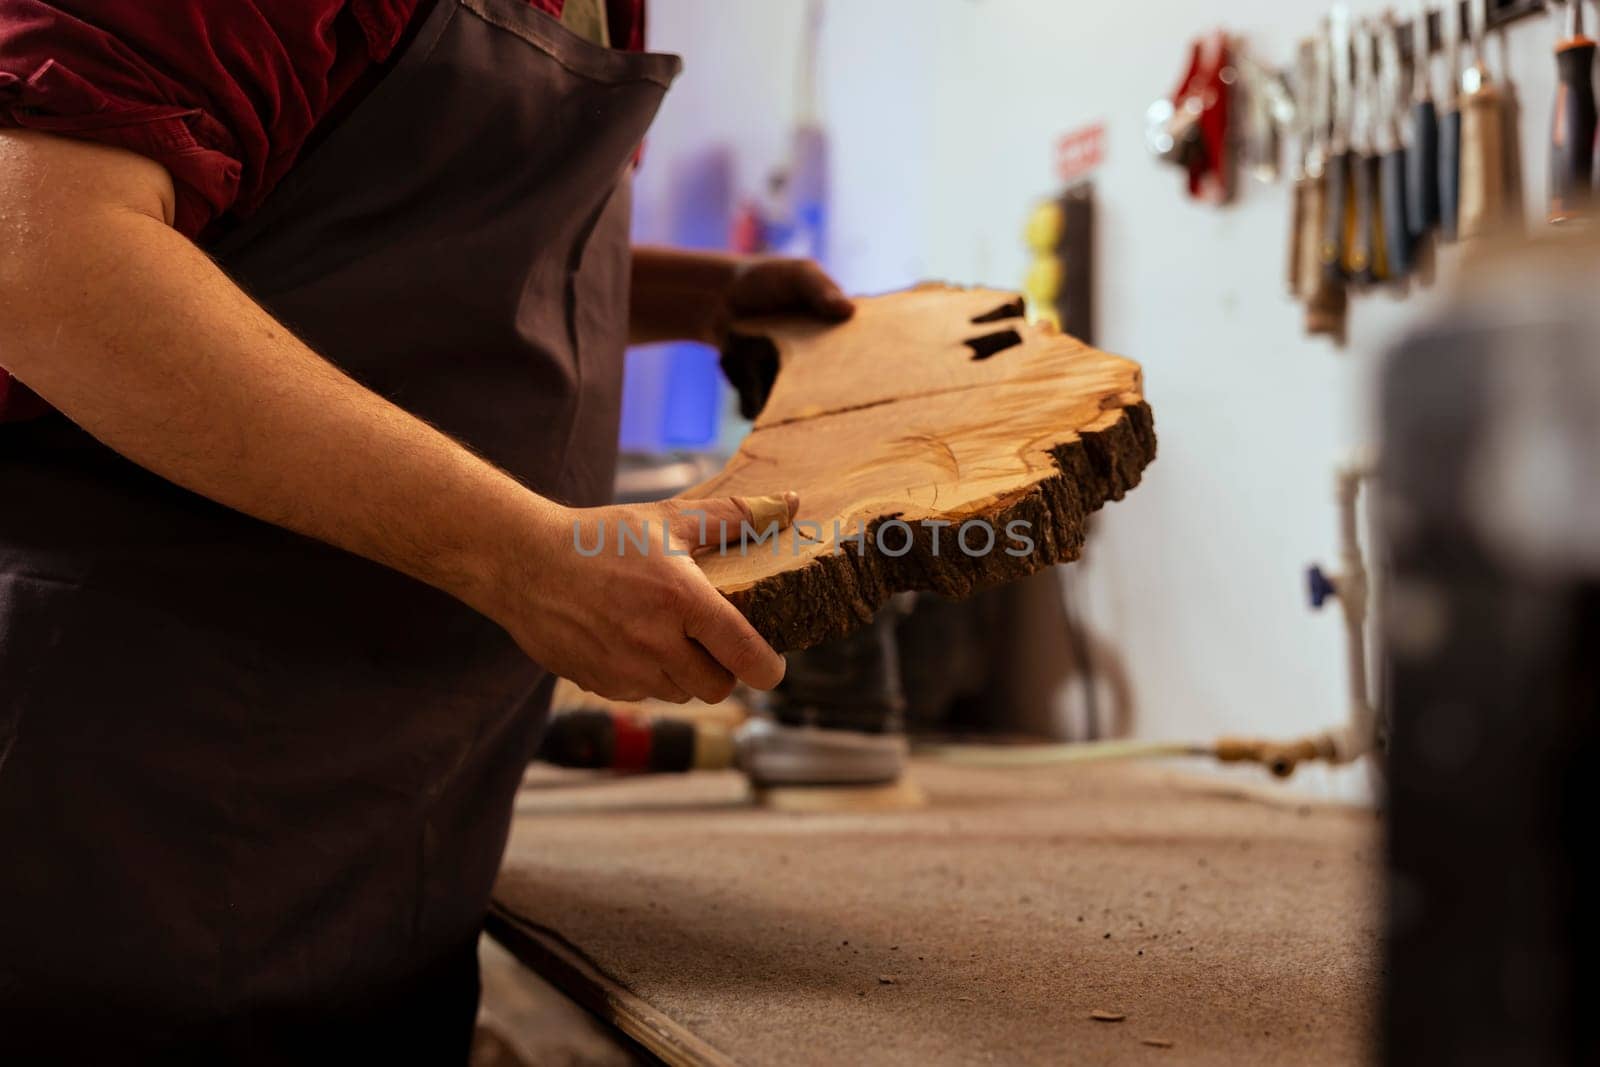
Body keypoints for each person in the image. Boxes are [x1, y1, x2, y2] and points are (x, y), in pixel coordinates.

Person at [0, 1, 852, 1060]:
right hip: (128, 778)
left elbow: (409, 254)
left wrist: (705, 296)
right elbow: (39, 255)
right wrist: (523, 556)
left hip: (396, 795)